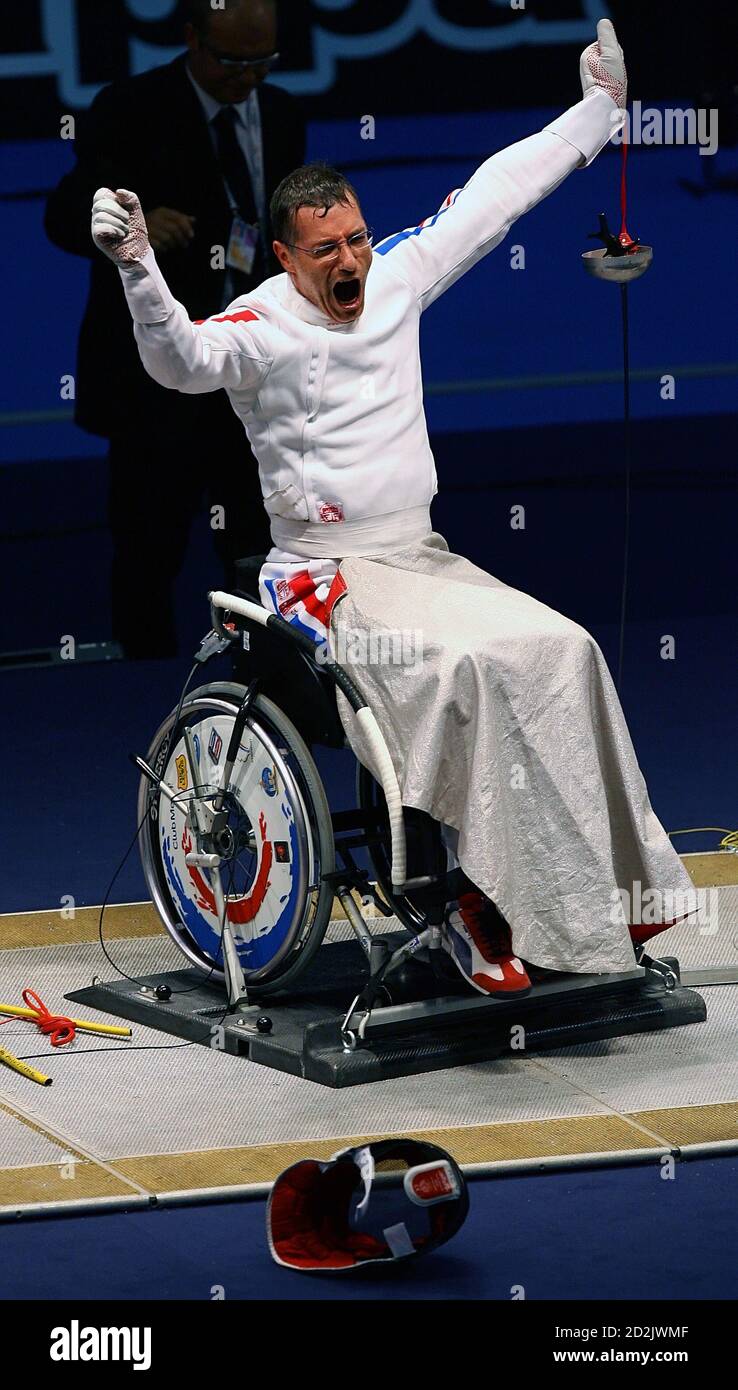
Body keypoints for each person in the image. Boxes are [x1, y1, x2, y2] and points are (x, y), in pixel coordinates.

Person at [89, 19, 697, 995]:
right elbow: (176, 361)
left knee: (560, 648)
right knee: (460, 666)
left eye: (358, 237)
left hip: (421, 557)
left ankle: (611, 892)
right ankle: (471, 898)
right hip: (316, 581)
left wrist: (596, 112)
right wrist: (137, 270)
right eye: (326, 248)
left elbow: (499, 193)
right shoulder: (258, 325)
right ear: (287, 259)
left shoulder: (400, 273)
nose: (350, 261)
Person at [45, 0, 304, 657]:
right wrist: (124, 232)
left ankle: (262, 674)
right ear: (192, 37)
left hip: (250, 366)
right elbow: (65, 209)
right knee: (148, 545)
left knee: (256, 538)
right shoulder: (129, 109)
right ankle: (141, 691)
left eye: (262, 62)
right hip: (154, 379)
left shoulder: (281, 114)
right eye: (232, 62)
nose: (248, 78)